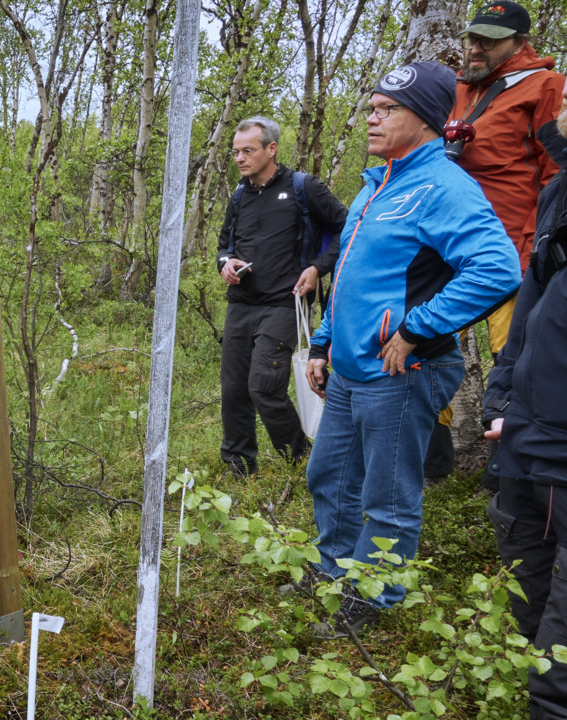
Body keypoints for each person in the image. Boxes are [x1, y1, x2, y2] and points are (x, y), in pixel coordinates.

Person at [303, 61, 521, 637]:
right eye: (371, 108)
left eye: (385, 110)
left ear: (424, 118)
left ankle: (374, 601)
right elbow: (349, 275)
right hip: (351, 369)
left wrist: (417, 328)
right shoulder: (378, 184)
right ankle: (334, 574)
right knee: (329, 477)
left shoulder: (443, 186)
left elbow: (498, 269)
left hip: (403, 370)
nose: (370, 119)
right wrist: (322, 343)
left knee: (386, 495)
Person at [428, 0, 566, 481]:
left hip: (512, 249)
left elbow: (557, 174)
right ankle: (432, 459)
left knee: (516, 359)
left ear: (520, 43)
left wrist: (537, 251)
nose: (475, 48)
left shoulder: (546, 86)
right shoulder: (461, 89)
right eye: (472, 37)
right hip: (447, 247)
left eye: (489, 40)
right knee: (422, 339)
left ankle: (515, 474)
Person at [482, 95, 567, 719]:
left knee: (558, 662)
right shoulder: (556, 193)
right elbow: (530, 308)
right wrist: (501, 395)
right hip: (525, 441)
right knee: (523, 600)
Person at [215, 116, 348, 478]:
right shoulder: (240, 195)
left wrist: (318, 267)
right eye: (236, 152)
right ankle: (239, 467)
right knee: (234, 390)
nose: (240, 159)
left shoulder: (304, 188)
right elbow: (223, 246)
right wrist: (226, 264)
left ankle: (303, 462)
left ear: (271, 149)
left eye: (248, 151)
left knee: (263, 387)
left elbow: (348, 228)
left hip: (285, 304)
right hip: (241, 304)